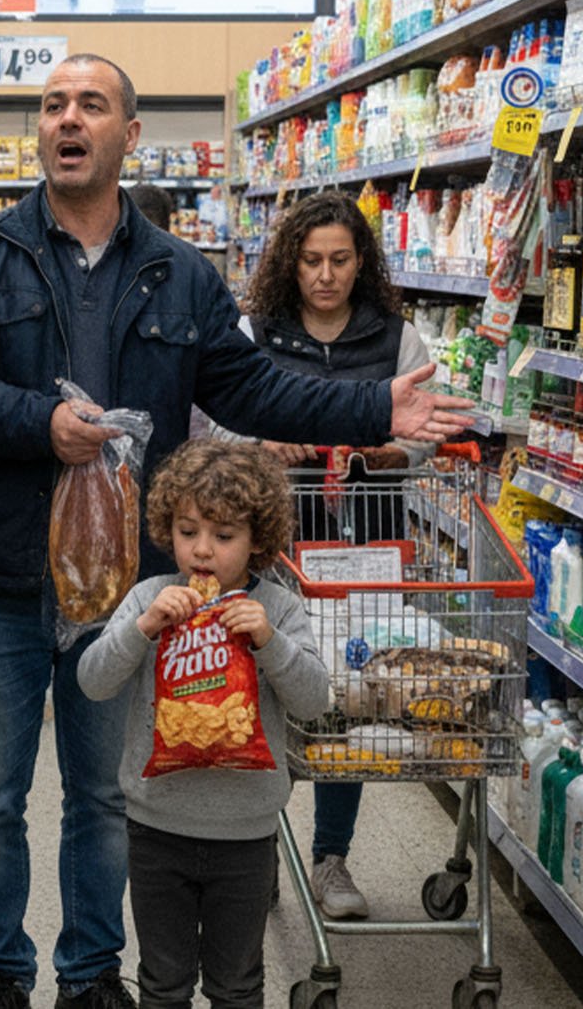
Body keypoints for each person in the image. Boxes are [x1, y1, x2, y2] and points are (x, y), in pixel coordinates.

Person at [0, 52, 472, 1009]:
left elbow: (251, 386)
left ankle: (89, 974)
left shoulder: (179, 273)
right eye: (52, 106)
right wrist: (38, 424)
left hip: (133, 582)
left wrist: (374, 404)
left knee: (103, 792)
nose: (67, 119)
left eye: (90, 104)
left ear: (130, 134)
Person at [231, 188, 436, 921]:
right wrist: (259, 439)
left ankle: (330, 857)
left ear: (361, 262)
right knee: (260, 696)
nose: (324, 275)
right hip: (272, 545)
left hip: (362, 548)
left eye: (340, 260)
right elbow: (217, 417)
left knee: (345, 701)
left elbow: (428, 431)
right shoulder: (257, 331)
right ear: (291, 261)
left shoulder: (396, 338)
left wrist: (391, 449)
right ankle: (257, 844)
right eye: (312, 260)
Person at [77, 439, 329, 1009]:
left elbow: (315, 702)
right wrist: (140, 627)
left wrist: (270, 642)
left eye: (224, 535)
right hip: (155, 829)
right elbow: (92, 681)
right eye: (188, 531)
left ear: (258, 539)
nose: (203, 551)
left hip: (246, 834)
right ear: (168, 529)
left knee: (237, 985)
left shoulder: (279, 609)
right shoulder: (150, 596)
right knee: (161, 984)